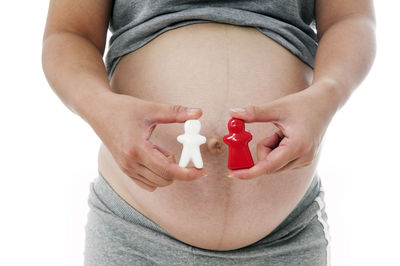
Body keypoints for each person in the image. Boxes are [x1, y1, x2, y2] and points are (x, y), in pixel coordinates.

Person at [41, 0, 376, 265]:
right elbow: (69, 33)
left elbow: (350, 18)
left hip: (286, 237)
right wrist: (99, 107)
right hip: (135, 232)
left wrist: (326, 95)